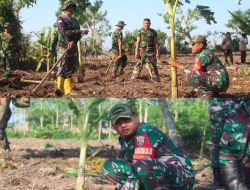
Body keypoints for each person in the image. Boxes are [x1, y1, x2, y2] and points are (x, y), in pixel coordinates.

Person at [102, 103, 195, 190]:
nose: (123, 125)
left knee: (142, 166)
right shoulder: (125, 139)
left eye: (126, 120)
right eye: (118, 122)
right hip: (152, 174)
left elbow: (139, 168)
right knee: (109, 166)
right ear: (114, 127)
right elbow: (129, 169)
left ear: (136, 118)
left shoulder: (144, 132)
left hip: (182, 178)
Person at [209, 98, 250, 190]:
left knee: (218, 144)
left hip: (218, 105)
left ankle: (219, 181)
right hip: (238, 108)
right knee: (230, 152)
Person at [56, 1, 88, 96]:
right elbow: (63, 31)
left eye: (73, 8)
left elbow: (78, 34)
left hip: (73, 47)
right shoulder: (60, 19)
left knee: (70, 68)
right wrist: (68, 41)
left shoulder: (75, 21)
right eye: (70, 7)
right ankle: (59, 89)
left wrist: (74, 41)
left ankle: (68, 90)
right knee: (62, 68)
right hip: (63, 47)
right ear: (65, 9)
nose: (72, 9)